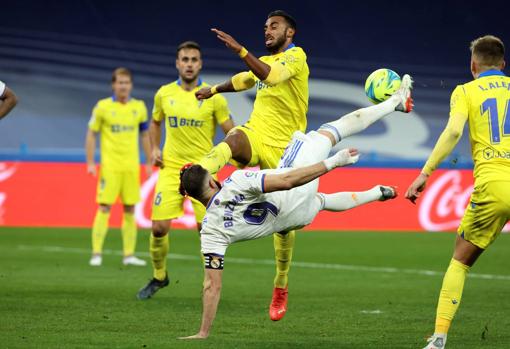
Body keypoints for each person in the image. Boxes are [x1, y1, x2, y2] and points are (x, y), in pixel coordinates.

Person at [179, 74, 413, 339]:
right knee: (331, 130)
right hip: (294, 188)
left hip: (294, 219)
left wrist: (203, 332)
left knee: (322, 202)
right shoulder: (235, 182)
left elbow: (212, 285)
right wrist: (332, 163)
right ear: (212, 180)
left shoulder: (209, 232)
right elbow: (287, 180)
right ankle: (395, 103)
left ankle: (376, 193)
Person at [195, 10, 310, 321]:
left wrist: (240, 50)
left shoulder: (297, 57)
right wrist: (214, 90)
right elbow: (245, 79)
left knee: (285, 226)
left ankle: (281, 283)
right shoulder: (263, 60)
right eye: (265, 26)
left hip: (286, 149)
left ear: (290, 33)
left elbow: (268, 76)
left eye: (275, 26)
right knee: (233, 139)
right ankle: (200, 171)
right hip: (257, 134)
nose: (268, 31)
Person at [406, 35, 509, 349]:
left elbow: (453, 131)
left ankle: (439, 339)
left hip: (494, 184)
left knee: (460, 261)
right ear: (503, 65)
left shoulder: (466, 90)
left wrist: (425, 173)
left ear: (473, 65)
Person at [137, 41, 234, 299]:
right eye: (185, 59)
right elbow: (154, 123)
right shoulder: (164, 94)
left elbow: (232, 131)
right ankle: (160, 276)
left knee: (207, 230)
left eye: (194, 60)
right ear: (177, 63)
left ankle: (209, 284)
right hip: (171, 169)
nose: (189, 64)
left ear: (200, 64)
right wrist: (153, 149)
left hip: (203, 172)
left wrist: (234, 153)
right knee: (158, 228)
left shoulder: (214, 98)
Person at [86, 67, 151, 267]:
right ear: (113, 85)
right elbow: (91, 134)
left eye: (126, 82)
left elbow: (145, 135)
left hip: (131, 166)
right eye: (120, 82)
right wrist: (90, 162)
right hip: (110, 167)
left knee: (130, 208)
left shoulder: (139, 107)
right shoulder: (102, 107)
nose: (123, 86)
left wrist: (149, 161)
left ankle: (129, 255)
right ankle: (96, 253)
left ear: (131, 85)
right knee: (104, 206)